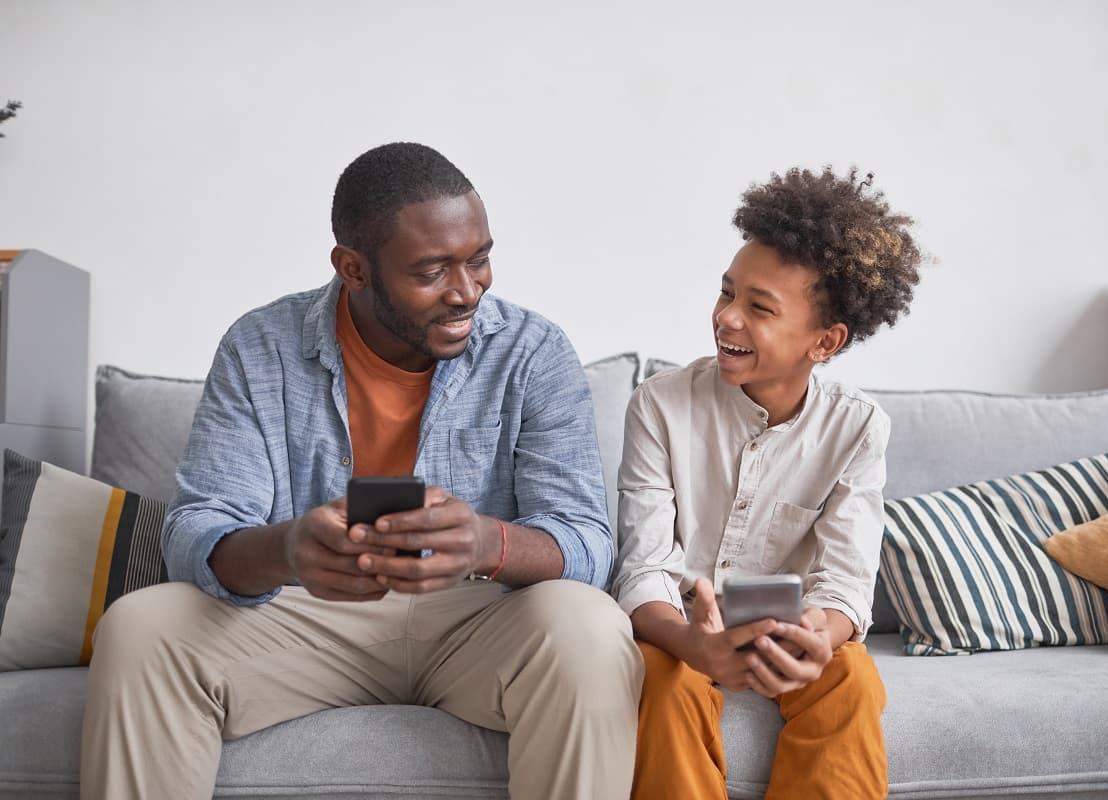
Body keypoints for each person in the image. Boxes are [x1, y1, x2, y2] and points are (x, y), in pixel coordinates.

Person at [80, 142, 642, 800]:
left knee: (589, 626)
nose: (467, 291)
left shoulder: (532, 351)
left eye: (479, 259)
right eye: (431, 271)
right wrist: (289, 547)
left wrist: (487, 543)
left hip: (480, 620)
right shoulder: (261, 347)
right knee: (141, 627)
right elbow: (196, 533)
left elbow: (587, 543)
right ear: (354, 268)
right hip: (307, 616)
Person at [613, 166, 925, 798]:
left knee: (853, 680)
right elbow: (643, 566)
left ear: (824, 341)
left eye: (759, 308)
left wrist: (818, 635)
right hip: (679, 633)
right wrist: (690, 642)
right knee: (660, 682)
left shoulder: (857, 427)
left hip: (791, 632)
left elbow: (846, 579)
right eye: (726, 293)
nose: (727, 318)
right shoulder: (660, 404)